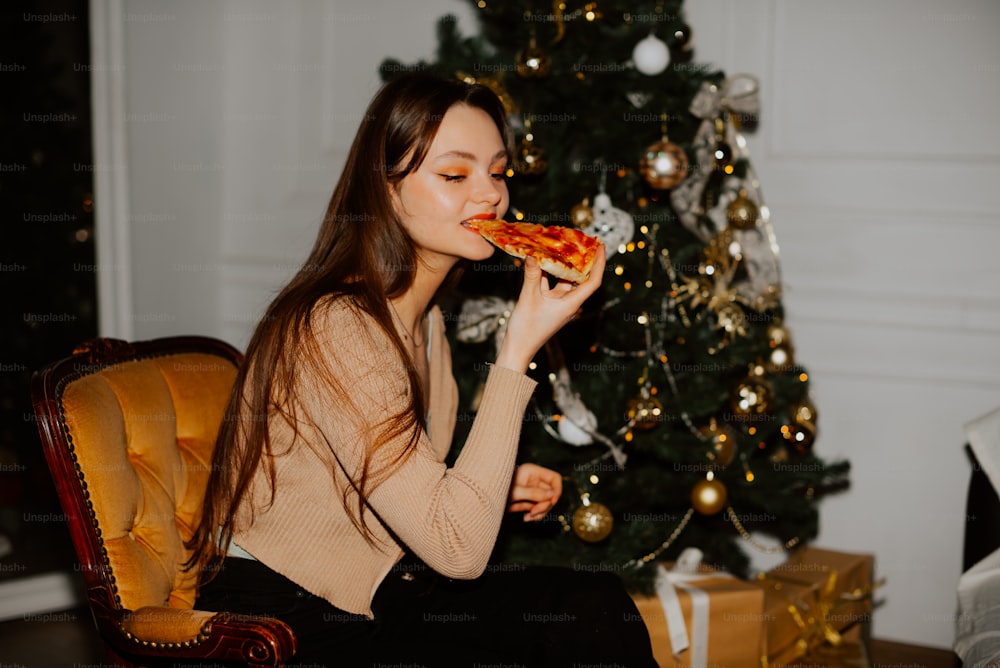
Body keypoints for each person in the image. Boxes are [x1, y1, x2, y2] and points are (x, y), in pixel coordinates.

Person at [189, 72, 657, 667]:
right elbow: (456, 551)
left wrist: (490, 488)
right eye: (455, 175)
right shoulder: (333, 324)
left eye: (498, 171)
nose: (489, 194)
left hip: (377, 587)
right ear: (385, 192)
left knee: (591, 602)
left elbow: (411, 485)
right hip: (281, 615)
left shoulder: (426, 322)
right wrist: (517, 351)